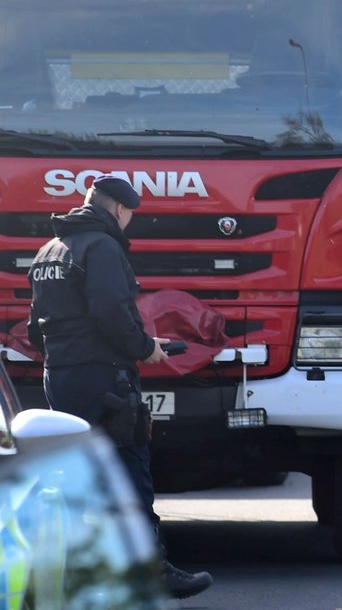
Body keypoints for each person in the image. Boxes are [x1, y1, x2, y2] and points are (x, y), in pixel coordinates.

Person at [26, 174, 213, 599]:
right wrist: (144, 349)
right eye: (130, 216)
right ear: (119, 210)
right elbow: (110, 310)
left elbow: (38, 326)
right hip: (104, 376)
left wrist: (130, 344)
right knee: (129, 469)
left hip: (61, 377)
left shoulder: (50, 250)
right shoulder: (103, 246)